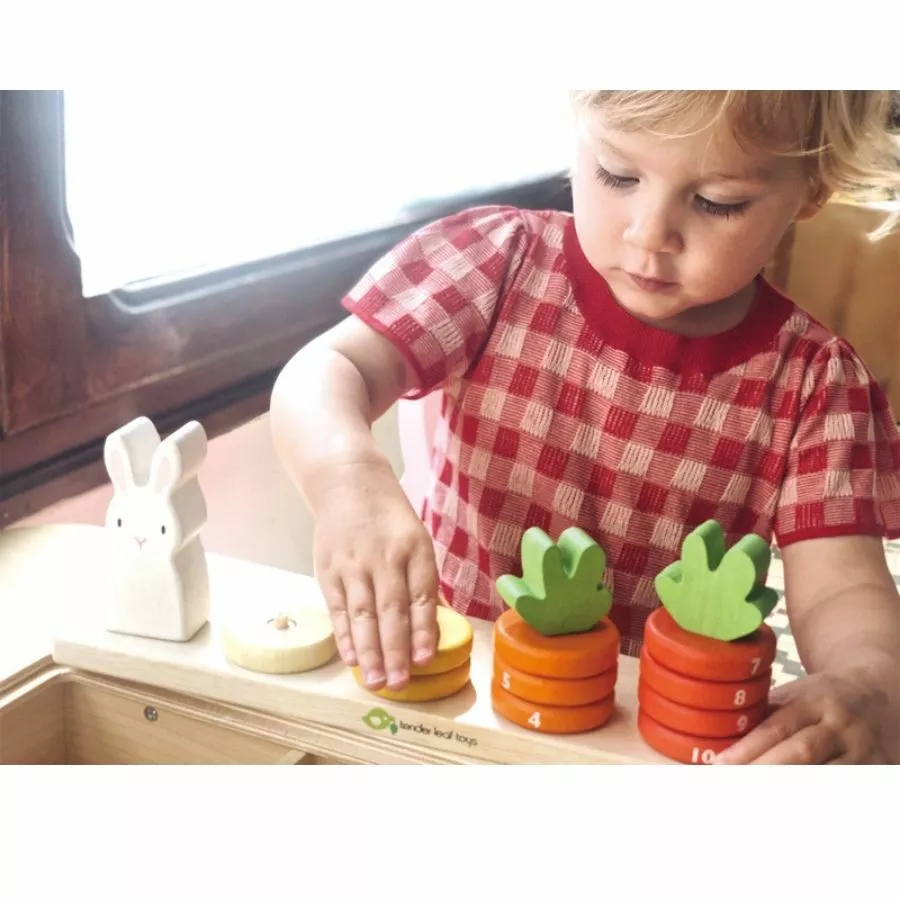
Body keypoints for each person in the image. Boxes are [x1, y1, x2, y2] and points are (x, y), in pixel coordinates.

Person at [270, 91, 900, 764]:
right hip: (445, 691)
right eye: (617, 175)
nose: (648, 233)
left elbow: (843, 589)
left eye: (718, 202)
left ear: (813, 188)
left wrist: (874, 684)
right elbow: (327, 370)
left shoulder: (815, 384)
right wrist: (347, 481)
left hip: (634, 736)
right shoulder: (496, 262)